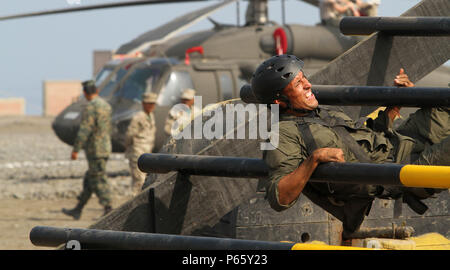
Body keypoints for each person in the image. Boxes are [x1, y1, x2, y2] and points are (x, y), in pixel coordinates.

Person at [250, 55, 449, 236]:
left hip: (401, 141)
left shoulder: (321, 112)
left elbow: (364, 140)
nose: (308, 85)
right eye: (298, 84)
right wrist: (314, 159)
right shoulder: (282, 134)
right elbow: (279, 198)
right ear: (279, 101)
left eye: (304, 78)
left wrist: (395, 106)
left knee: (445, 100)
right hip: (402, 172)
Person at [62, 80, 113, 220]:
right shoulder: (106, 105)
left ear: (85, 93)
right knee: (90, 178)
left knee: (98, 178)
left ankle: (108, 207)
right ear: (96, 91)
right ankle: (78, 209)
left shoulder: (91, 107)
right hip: (105, 146)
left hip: (95, 149)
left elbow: (85, 129)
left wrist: (76, 149)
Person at [125, 92, 158, 195]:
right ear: (143, 104)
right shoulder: (138, 117)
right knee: (139, 180)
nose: (151, 106)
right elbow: (129, 135)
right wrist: (130, 148)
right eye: (149, 104)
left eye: (153, 104)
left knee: (145, 180)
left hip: (147, 152)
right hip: (137, 152)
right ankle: (133, 204)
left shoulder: (151, 116)